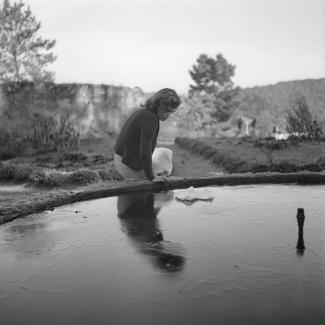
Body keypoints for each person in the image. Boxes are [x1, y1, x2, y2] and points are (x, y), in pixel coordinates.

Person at [114, 88, 181, 181]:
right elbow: (145, 151)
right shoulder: (150, 119)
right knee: (168, 156)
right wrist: (151, 177)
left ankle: (164, 182)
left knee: (165, 153)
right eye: (167, 111)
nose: (169, 115)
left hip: (121, 161)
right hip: (128, 168)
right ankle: (165, 189)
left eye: (171, 112)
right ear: (159, 106)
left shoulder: (143, 111)